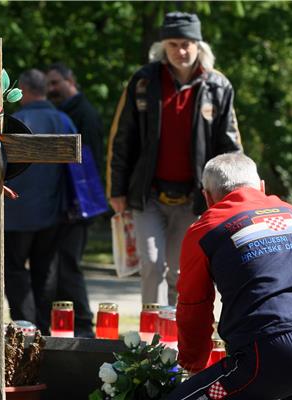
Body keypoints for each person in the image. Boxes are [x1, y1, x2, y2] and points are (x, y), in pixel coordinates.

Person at [169, 153, 292, 400]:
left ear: (207, 196)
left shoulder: (205, 229)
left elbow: (193, 306)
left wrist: (193, 365)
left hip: (275, 350)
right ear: (261, 187)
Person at [107, 11, 242, 306]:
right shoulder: (143, 82)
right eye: (173, 44)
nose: (181, 51)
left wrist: (235, 195)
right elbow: (122, 138)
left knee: (181, 273)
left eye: (187, 44)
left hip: (195, 196)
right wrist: (116, 190)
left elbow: (230, 146)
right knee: (152, 265)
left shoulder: (218, 86)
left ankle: (177, 342)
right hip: (148, 193)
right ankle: (147, 343)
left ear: (199, 45)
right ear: (163, 48)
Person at [3, 68, 94, 337]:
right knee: (46, 271)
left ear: (22, 90)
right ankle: (42, 326)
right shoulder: (63, 120)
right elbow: (76, 168)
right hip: (51, 212)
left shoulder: (14, 122)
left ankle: (23, 325)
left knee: (15, 270)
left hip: (15, 212)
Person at [46, 62, 105, 337]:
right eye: (48, 84)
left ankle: (82, 324)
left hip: (78, 203)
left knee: (68, 263)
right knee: (59, 264)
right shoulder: (64, 111)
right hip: (65, 203)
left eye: (55, 82)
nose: (51, 89)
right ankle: (65, 321)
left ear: (71, 79)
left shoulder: (83, 113)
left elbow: (87, 162)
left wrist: (77, 204)